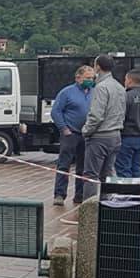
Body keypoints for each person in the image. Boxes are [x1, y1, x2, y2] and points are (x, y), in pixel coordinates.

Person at [82, 54, 127, 200]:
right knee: (108, 174)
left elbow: (96, 115)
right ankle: (108, 207)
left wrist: (86, 131)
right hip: (116, 135)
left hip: (100, 136)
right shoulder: (120, 87)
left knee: (91, 176)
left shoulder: (101, 88)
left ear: (98, 67)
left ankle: (89, 212)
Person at [51, 65, 95, 205]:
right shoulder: (67, 92)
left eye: (92, 78)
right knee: (64, 165)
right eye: (87, 78)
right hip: (71, 134)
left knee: (83, 167)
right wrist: (64, 128)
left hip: (87, 134)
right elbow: (56, 111)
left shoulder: (95, 92)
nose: (90, 80)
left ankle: (79, 195)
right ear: (78, 78)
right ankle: (59, 194)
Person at [116, 69, 140, 178]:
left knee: (123, 168)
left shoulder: (126, 96)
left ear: (129, 80)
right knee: (136, 167)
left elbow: (121, 116)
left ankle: (128, 193)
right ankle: (139, 192)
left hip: (127, 136)